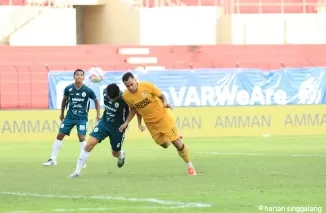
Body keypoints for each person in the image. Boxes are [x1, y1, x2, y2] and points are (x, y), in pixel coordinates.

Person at [119, 72, 196, 176]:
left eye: (132, 84)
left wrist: (165, 102)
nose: (130, 87)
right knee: (164, 145)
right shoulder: (126, 96)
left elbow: (162, 95)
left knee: (176, 143)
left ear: (135, 80)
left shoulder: (147, 86)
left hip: (163, 117)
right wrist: (129, 123)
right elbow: (134, 109)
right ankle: (173, 135)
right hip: (150, 123)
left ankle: (190, 166)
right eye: (127, 86)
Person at [68, 83, 129, 178]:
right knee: (89, 144)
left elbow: (134, 110)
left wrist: (127, 123)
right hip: (104, 123)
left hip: (118, 128)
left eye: (114, 98)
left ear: (118, 95)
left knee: (114, 153)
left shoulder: (125, 99)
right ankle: (77, 172)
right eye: (110, 98)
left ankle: (121, 155)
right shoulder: (105, 92)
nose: (112, 100)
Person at [43, 69, 101, 167]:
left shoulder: (87, 90)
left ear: (83, 77)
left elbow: (96, 100)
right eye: (77, 75)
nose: (79, 76)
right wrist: (62, 114)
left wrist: (98, 114)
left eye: (81, 75)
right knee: (60, 135)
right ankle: (52, 159)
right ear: (74, 77)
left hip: (82, 118)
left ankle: (83, 160)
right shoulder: (68, 89)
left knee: (81, 136)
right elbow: (64, 101)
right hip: (69, 117)